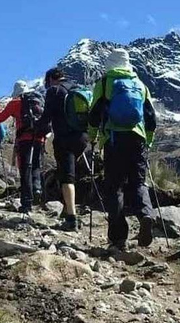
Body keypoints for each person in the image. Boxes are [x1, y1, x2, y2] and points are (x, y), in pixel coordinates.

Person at [88, 48, 157, 249]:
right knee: (138, 183)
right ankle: (146, 214)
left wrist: (93, 139)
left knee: (114, 187)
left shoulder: (104, 82)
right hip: (138, 139)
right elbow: (151, 117)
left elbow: (94, 115)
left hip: (113, 139)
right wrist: (148, 141)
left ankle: (118, 238)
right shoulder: (140, 85)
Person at [35, 68, 89, 231]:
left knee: (67, 177)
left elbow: (47, 117)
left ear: (51, 78)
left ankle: (71, 218)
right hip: (82, 138)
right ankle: (67, 208)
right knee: (70, 173)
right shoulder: (77, 89)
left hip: (64, 138)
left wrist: (36, 127)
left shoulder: (54, 90)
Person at [0, 81, 49, 213]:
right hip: (40, 137)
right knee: (36, 165)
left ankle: (26, 203)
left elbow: (0, 118)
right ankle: (37, 188)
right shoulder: (38, 100)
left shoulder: (15, 102)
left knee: (25, 168)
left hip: (24, 138)